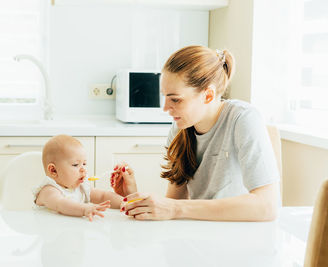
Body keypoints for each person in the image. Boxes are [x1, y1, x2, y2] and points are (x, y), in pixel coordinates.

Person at [117, 45, 280, 221]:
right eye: (164, 96)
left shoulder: (243, 119)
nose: (165, 108)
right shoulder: (180, 128)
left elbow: (267, 206)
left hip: (239, 236)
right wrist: (133, 198)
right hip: (199, 234)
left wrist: (175, 208)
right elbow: (173, 204)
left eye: (175, 99)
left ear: (208, 95)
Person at [35, 135, 137, 221]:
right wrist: (84, 209)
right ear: (53, 170)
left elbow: (103, 196)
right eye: (75, 165)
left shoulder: (81, 188)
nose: (83, 169)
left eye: (84, 164)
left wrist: (124, 202)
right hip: (51, 235)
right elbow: (61, 204)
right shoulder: (48, 191)